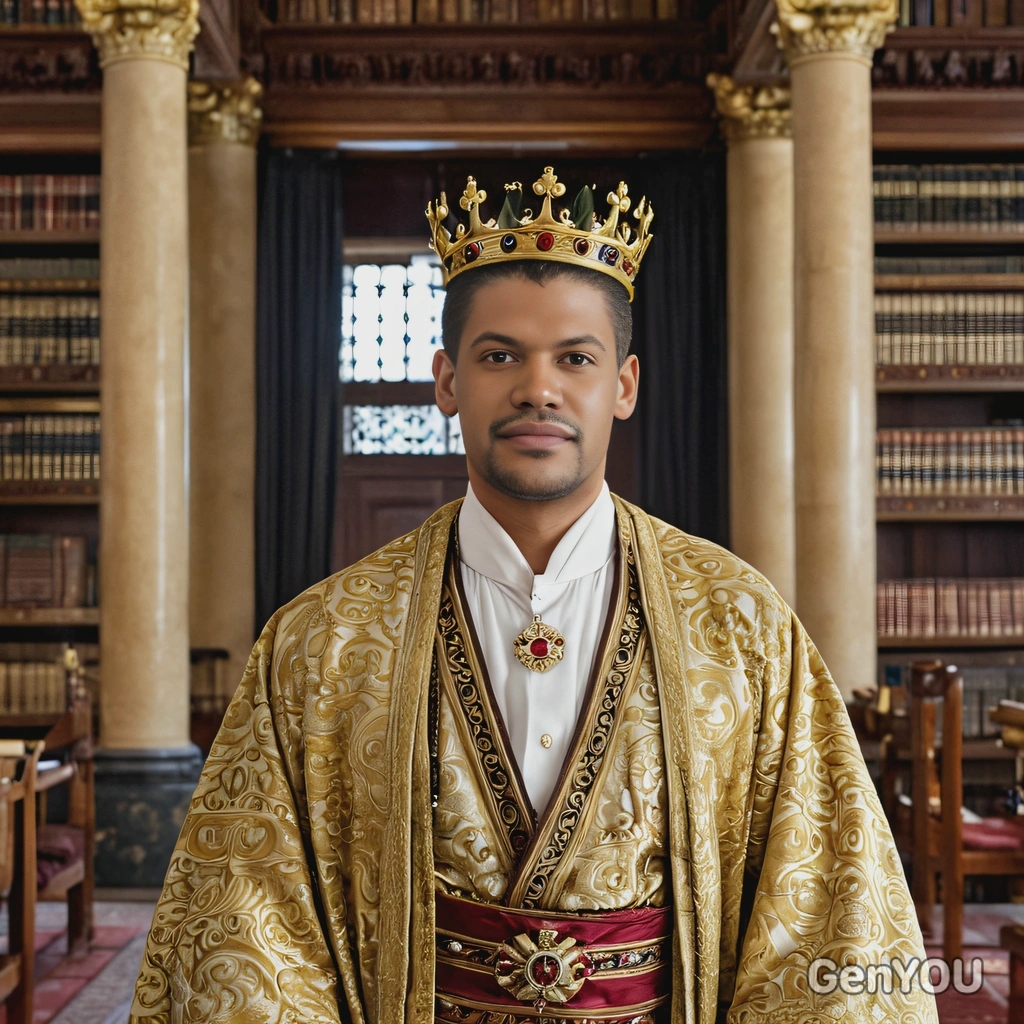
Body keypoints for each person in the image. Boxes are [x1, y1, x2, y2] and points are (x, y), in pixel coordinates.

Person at [129, 167, 937, 1024]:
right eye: (500, 355)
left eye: (575, 359)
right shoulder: (321, 639)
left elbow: (825, 916)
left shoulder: (741, 625)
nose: (538, 389)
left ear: (623, 385)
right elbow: (249, 938)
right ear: (447, 381)